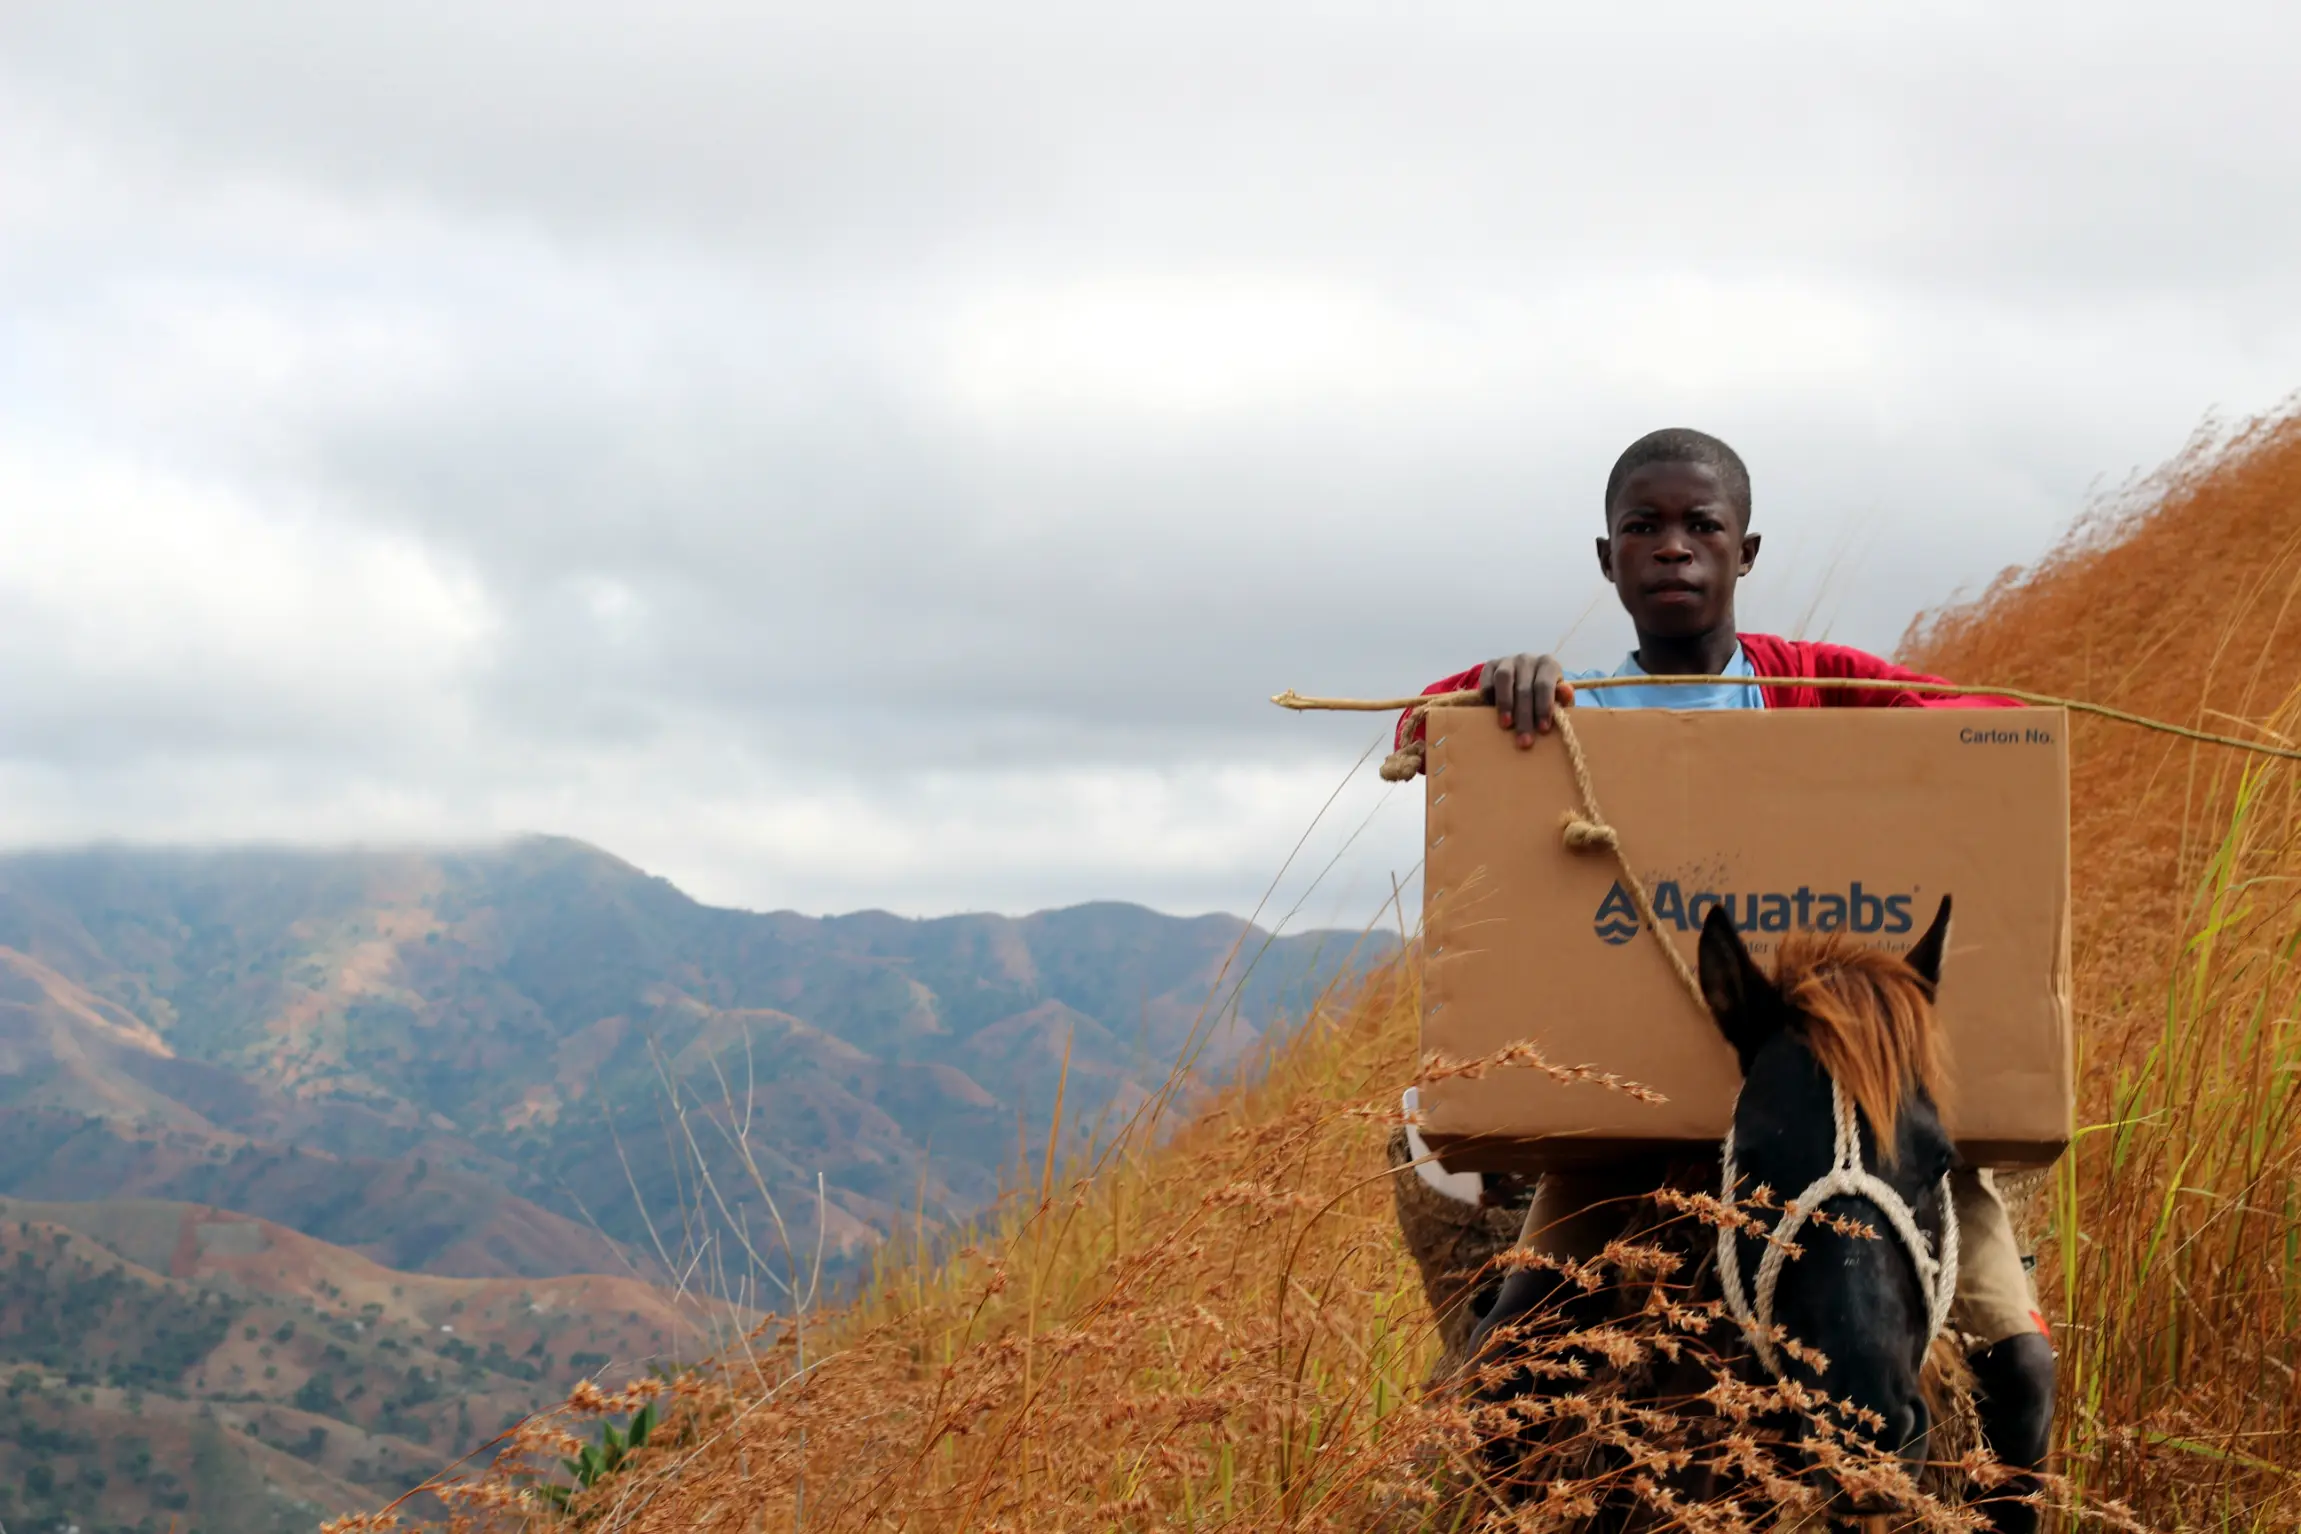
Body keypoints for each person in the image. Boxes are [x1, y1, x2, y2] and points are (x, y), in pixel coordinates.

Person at [1402, 427, 2054, 1534]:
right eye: (1642, 528)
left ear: (1744, 551)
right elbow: (1426, 735)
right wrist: (1480, 689)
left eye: (1700, 526)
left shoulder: (1813, 683)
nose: (1672, 548)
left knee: (2022, 1366)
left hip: (1855, 1089)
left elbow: (1981, 735)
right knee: (1507, 1369)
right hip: (1632, 1113)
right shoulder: (1573, 708)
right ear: (1605, 559)